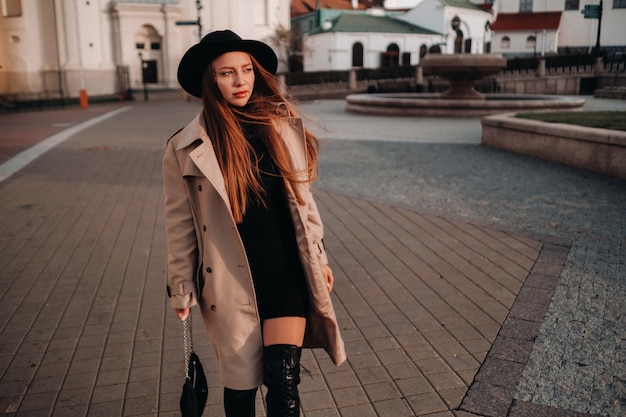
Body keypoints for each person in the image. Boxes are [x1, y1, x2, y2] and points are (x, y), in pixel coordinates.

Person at [162, 30, 346, 417]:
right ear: (209, 81)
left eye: (246, 70)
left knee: (284, 383)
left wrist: (320, 256)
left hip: (286, 274)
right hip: (230, 281)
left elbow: (303, 201)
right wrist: (181, 286)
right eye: (227, 73)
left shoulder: (279, 126)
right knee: (242, 392)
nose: (240, 80)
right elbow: (179, 223)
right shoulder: (185, 147)